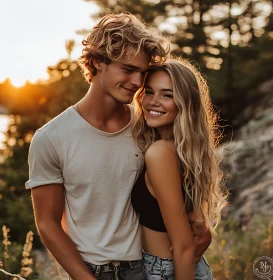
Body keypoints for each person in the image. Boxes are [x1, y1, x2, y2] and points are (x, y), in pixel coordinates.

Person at [25, 12, 169, 280]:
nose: (137, 83)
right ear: (97, 62)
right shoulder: (51, 137)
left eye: (143, 73)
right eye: (128, 69)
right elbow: (47, 223)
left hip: (146, 268)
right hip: (90, 271)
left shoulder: (147, 128)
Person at [131, 58, 228, 280]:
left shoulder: (160, 153)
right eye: (149, 91)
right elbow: (196, 226)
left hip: (167, 271)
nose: (153, 102)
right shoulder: (185, 151)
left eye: (167, 95)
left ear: (185, 103)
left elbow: (184, 246)